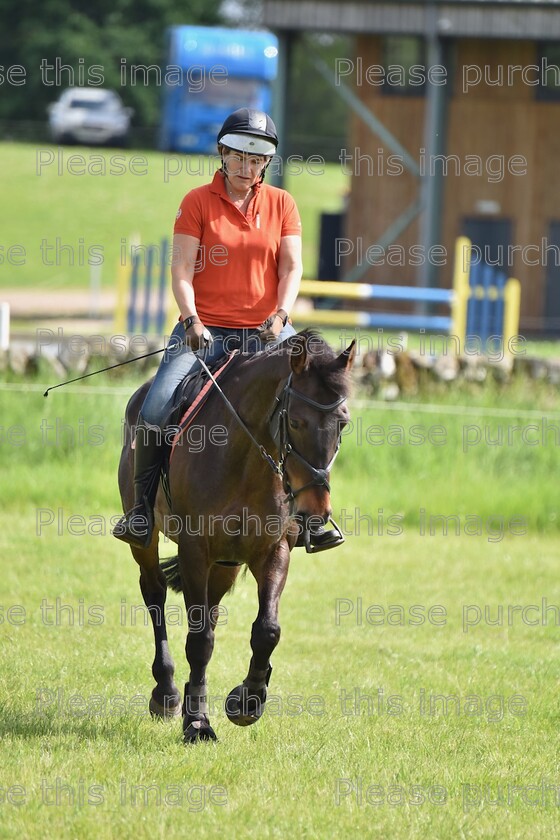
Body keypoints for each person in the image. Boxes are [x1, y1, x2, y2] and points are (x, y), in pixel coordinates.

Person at [114, 107, 302, 549]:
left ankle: (309, 516)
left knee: (315, 408)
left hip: (268, 333)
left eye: (255, 160)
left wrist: (281, 314)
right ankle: (142, 510)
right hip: (204, 332)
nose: (246, 167)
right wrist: (192, 318)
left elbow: (291, 267)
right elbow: (181, 269)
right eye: (238, 157)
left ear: (265, 164)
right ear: (222, 153)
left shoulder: (282, 204)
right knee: (157, 408)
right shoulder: (197, 201)